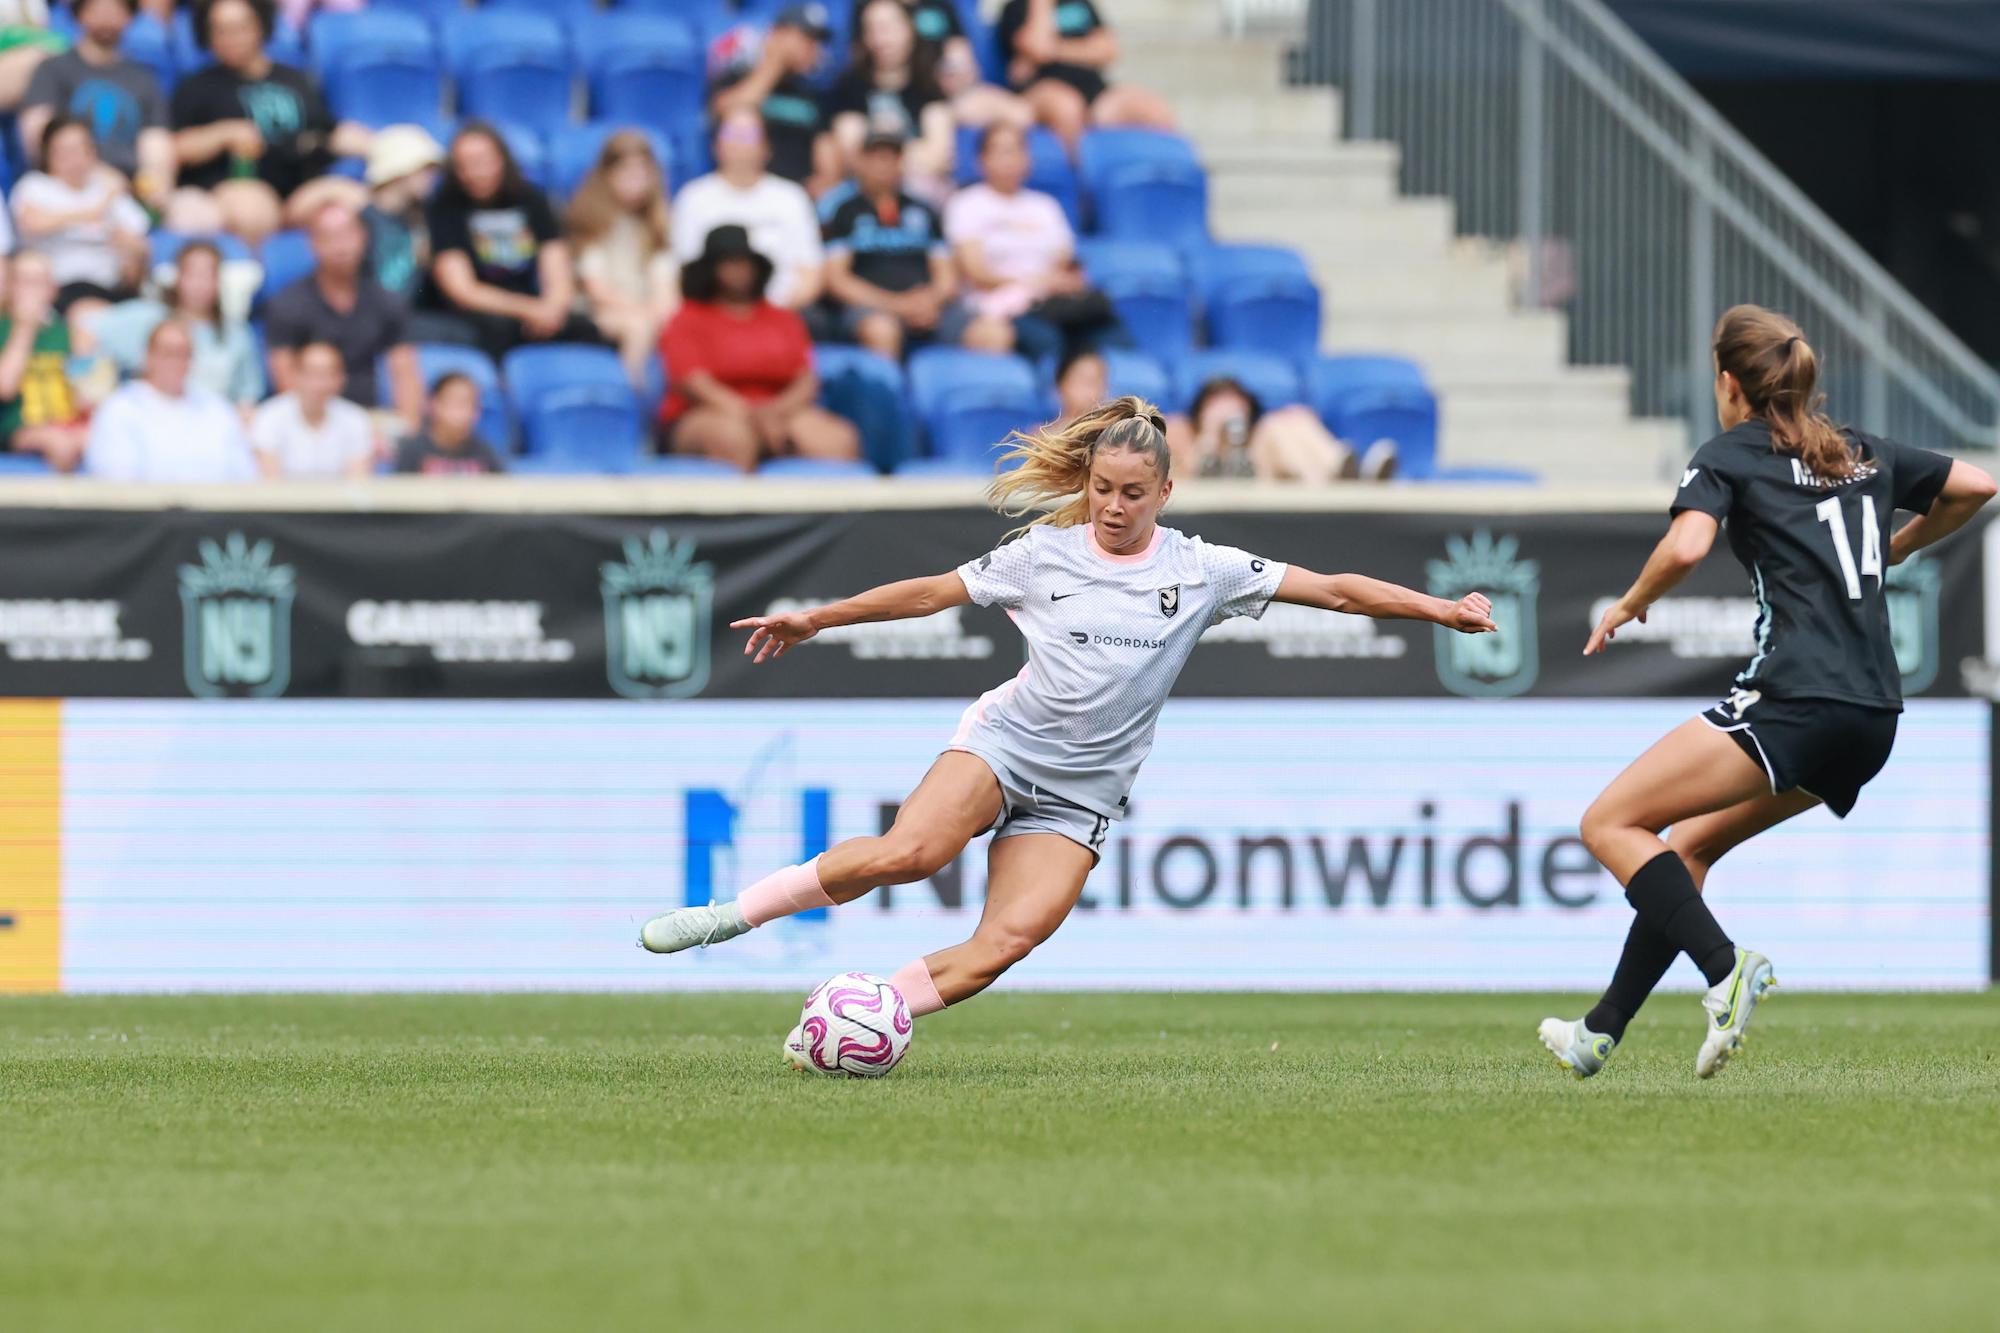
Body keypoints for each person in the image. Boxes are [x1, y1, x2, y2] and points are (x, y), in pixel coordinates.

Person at [637, 396, 1497, 1036]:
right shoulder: (1041, 552)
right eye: (1099, 489)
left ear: (1165, 488)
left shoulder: (1208, 570)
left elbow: (1340, 590)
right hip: (1005, 746)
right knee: (910, 853)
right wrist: (819, 616)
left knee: (1007, 940)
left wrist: (1441, 609)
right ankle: (732, 914)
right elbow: (929, 593)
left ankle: (865, 1015)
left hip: (1083, 793)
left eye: (1131, 492)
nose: (1112, 508)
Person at [1539, 304, 1997, 1082]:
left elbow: (1687, 544)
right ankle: (1600, 1030)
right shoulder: (1856, 449)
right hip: (1874, 716)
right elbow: (1977, 484)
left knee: (1609, 821)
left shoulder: (1729, 452)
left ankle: (1724, 969)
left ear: (1728, 382)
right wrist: (1899, 546)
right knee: (1688, 845)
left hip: (1796, 697)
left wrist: (1629, 601)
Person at [658, 224, 859, 472]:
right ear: (710, 269)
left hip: (781, 410)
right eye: (729, 263)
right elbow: (693, 383)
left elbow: (806, 379)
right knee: (732, 439)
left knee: (837, 440)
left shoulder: (781, 318)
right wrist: (754, 417)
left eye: (744, 263)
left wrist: (774, 414)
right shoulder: (687, 319)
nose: (739, 271)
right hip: (709, 412)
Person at [170, 0, 371, 247]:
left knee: (359, 200)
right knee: (252, 208)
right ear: (206, 34)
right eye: (221, 30)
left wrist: (367, 143)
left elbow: (326, 129)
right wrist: (222, 135)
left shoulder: (294, 78)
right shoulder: (197, 86)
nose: (232, 38)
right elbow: (175, 148)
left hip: (300, 192)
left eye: (241, 27)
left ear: (261, 26)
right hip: (241, 190)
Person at [821, 125, 1009, 360]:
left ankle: (989, 396)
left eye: (891, 157)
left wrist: (931, 300)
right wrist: (895, 304)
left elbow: (946, 274)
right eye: (876, 157)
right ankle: (886, 394)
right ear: (860, 161)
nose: (884, 164)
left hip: (930, 305)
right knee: (881, 330)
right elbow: (836, 279)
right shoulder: (842, 210)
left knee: (993, 333)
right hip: (871, 307)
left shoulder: (924, 209)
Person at [423, 123, 600, 362]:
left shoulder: (532, 199)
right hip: (482, 311)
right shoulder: (444, 208)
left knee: (586, 331)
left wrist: (553, 309)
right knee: (496, 331)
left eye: (481, 161)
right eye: (464, 165)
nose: (474, 172)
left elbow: (557, 265)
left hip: (532, 306)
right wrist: (530, 309)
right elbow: (462, 290)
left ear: (500, 160)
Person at [945, 122, 1112, 364]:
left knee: (1109, 335)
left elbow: (1064, 259)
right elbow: (976, 273)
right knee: (1046, 340)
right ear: (982, 160)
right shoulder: (967, 204)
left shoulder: (1045, 206)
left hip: (1051, 302)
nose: (1010, 160)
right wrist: (1030, 283)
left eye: (1016, 150)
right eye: (1001, 152)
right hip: (1001, 308)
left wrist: (1056, 282)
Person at [265, 202, 420, 430]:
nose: (340, 246)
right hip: (308, 420)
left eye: (347, 234)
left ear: (364, 237)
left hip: (370, 420)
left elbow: (405, 373)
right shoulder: (287, 304)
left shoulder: (386, 301)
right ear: (313, 244)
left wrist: (410, 432)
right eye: (329, 237)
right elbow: (285, 379)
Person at [19, 0, 176, 216]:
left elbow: (156, 143)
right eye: (98, 9)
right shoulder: (52, 70)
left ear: (130, 17)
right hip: (66, 187)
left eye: (116, 10)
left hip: (130, 191)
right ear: (79, 14)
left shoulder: (144, 79)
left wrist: (155, 185)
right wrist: (94, 173)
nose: (106, 18)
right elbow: (39, 133)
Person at [672, 110, 824, 312]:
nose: (739, 144)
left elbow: (811, 272)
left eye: (748, 136)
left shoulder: (792, 197)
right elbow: (683, 268)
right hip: (710, 311)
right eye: (731, 135)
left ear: (767, 147)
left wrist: (769, 316)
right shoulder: (692, 197)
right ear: (715, 145)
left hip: (783, 311)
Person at [82, 237, 263, 407]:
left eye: (208, 275)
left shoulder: (237, 334)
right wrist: (93, 391)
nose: (200, 284)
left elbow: (247, 397)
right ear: (178, 278)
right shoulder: (147, 317)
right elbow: (85, 327)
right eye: (193, 274)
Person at [566, 130, 680, 385]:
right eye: (627, 173)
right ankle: (632, 394)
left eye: (643, 174)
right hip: (597, 311)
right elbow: (597, 289)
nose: (636, 182)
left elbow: (664, 281)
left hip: (645, 309)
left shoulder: (656, 224)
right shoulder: (589, 222)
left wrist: (659, 310)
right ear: (606, 176)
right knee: (638, 328)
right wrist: (642, 313)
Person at [11, 116, 150, 325]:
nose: (73, 158)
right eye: (63, 151)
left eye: (79, 148)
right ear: (47, 154)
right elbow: (32, 223)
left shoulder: (107, 189)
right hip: (61, 289)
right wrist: (94, 212)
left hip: (113, 287)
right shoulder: (35, 186)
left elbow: (141, 244)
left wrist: (130, 248)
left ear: (92, 152)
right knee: (89, 316)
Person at [289, 122, 442, 308]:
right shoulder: (361, 218)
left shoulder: (422, 219)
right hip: (371, 321)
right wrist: (338, 188)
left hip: (407, 317)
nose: (431, 176)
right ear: (399, 170)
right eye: (424, 169)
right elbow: (291, 214)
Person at [86, 316, 256, 480]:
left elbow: (243, 475)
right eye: (168, 353)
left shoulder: (217, 409)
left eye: (183, 353)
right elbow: (117, 480)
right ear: (147, 356)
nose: (176, 362)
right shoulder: (119, 409)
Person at [995, 0, 1175, 148]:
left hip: (1095, 93)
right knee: (1067, 107)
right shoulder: (1015, 9)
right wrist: (1042, 5)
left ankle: (1174, 176)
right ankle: (1084, 181)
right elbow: (1038, 47)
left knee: (1151, 107)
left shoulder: (1081, 4)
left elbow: (1109, 50)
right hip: (1044, 92)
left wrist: (1055, 49)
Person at [826, 1, 954, 200]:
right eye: (871, 30)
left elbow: (939, 155)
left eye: (888, 28)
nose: (881, 39)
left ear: (910, 29)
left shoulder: (929, 86)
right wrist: (915, 152)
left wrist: (877, 156)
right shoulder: (850, 87)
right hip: (863, 196)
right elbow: (851, 153)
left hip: (921, 196)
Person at [707, 2, 837, 194]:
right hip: (740, 191)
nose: (814, 49)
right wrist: (774, 64)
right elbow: (725, 112)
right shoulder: (737, 76)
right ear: (777, 34)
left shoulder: (811, 93)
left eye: (817, 42)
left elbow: (827, 163)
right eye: (806, 39)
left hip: (792, 199)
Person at [1168, 376, 1396, 483]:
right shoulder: (1179, 431)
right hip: (1204, 482)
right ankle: (1340, 479)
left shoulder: (1264, 434)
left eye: (1236, 404)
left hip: (1265, 480)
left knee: (1294, 417)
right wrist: (1211, 436)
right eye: (1220, 402)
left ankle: (1345, 470)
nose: (1229, 411)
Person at [850, 0, 1033, 132]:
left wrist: (956, 76)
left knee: (1020, 113)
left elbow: (962, 60)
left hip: (940, 93)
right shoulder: (874, 8)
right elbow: (861, 64)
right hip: (896, 96)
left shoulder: (939, 6)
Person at [0, 250, 89, 472]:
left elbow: (87, 395)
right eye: (23, 281)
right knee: (58, 443)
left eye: (38, 282)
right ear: (10, 287)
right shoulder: (4, 329)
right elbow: (5, 387)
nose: (30, 291)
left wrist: (86, 355)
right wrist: (25, 328)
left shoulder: (66, 333)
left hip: (65, 422)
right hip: (18, 429)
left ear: (52, 290)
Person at [250, 339, 373, 479]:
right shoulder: (269, 416)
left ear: (341, 378)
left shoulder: (355, 419)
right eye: (311, 373)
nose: (318, 384)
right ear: (295, 374)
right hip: (284, 500)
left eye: (327, 374)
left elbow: (358, 482)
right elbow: (269, 482)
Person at [393, 371, 506, 476]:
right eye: (459, 404)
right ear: (434, 404)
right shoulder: (412, 450)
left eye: (473, 405)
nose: (466, 413)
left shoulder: (485, 452)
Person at [1051, 346, 1104, 424]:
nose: (1092, 392)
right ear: (1062, 383)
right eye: (1084, 381)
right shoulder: (1041, 433)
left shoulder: (1112, 433)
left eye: (1097, 381)